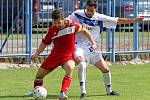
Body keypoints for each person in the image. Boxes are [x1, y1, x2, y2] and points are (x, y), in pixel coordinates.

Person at [67, 0, 144, 99]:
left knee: (105, 69)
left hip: (92, 49)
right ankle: (83, 92)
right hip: (78, 47)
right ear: (85, 8)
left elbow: (117, 20)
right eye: (88, 10)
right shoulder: (77, 15)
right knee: (82, 64)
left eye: (92, 10)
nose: (90, 12)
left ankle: (109, 91)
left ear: (95, 9)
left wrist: (134, 20)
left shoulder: (100, 18)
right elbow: (65, 22)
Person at [24, 9, 97, 99]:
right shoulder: (52, 29)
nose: (57, 25)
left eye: (58, 22)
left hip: (67, 55)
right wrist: (36, 53)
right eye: (54, 23)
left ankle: (62, 93)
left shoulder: (72, 25)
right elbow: (44, 43)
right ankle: (36, 91)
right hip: (54, 55)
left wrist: (93, 42)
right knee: (39, 75)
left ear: (64, 19)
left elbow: (84, 30)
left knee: (70, 67)